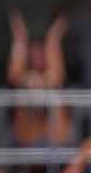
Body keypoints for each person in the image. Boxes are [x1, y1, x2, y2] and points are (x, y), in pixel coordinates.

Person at [5, 10, 73, 156]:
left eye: (41, 54)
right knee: (24, 84)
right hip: (26, 139)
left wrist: (52, 39)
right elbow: (14, 76)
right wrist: (19, 37)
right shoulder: (22, 76)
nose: (37, 58)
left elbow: (57, 77)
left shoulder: (53, 77)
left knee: (53, 85)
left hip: (56, 139)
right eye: (33, 54)